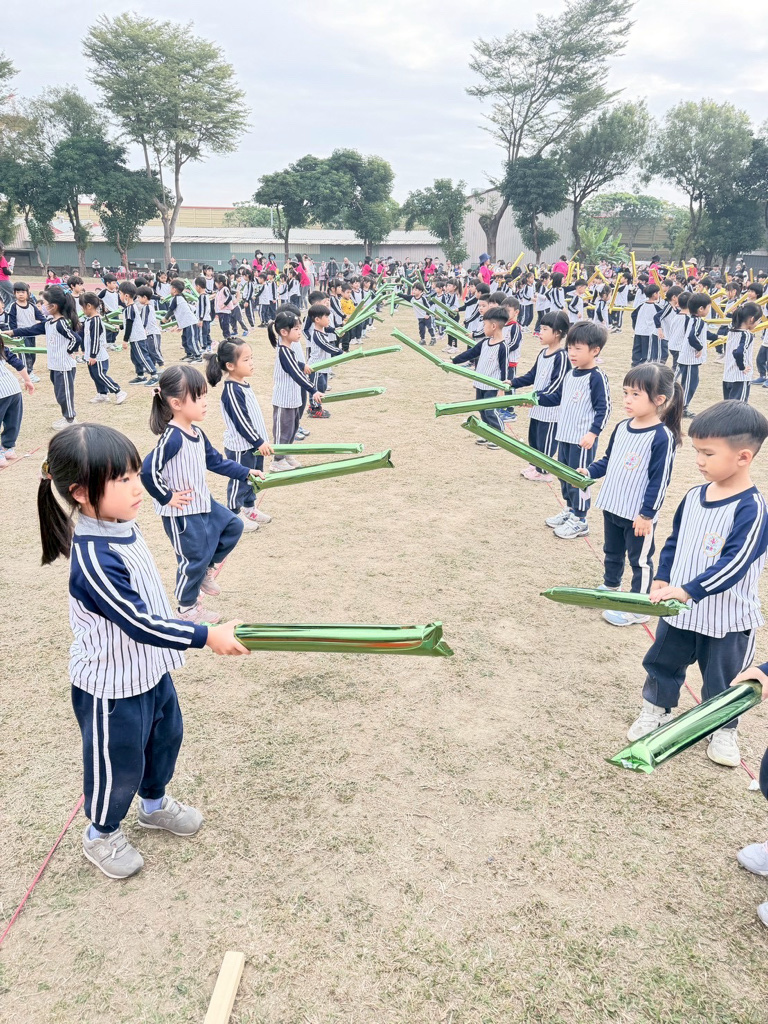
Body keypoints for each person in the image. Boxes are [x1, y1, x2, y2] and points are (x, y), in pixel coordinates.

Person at [38, 423, 249, 878]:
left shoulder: (120, 526)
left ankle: (153, 804)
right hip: (112, 686)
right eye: (123, 479)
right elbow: (137, 622)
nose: (138, 487)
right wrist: (205, 635)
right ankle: (101, 833)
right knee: (118, 762)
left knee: (165, 739)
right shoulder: (94, 557)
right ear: (80, 493)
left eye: (136, 475)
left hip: (150, 671)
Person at [627, 401, 768, 768]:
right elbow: (675, 541)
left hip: (726, 619)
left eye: (708, 453)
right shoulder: (693, 496)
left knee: (724, 680)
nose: (699, 461)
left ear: (743, 457)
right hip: (679, 610)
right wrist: (662, 576)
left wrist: (689, 590)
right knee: (662, 662)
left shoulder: (752, 509)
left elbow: (734, 563)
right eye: (697, 451)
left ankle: (723, 728)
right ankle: (656, 710)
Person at [142, 365, 262, 623]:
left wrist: (246, 472)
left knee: (234, 525)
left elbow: (216, 462)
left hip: (203, 502)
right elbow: (147, 471)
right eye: (198, 397)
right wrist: (167, 497)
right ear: (176, 403)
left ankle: (207, 570)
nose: (205, 402)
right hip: (181, 512)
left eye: (205, 395)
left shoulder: (196, 433)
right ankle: (187, 610)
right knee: (192, 558)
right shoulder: (172, 437)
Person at [581, 363, 682, 626]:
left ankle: (640, 606)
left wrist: (647, 515)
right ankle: (611, 586)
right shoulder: (622, 427)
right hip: (613, 505)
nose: (627, 399)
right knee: (612, 551)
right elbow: (608, 460)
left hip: (638, 515)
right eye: (626, 392)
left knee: (640, 561)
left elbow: (659, 480)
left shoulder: (662, 437)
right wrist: (589, 471)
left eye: (636, 394)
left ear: (658, 399)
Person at [546, 321, 611, 539]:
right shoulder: (570, 374)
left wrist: (593, 433)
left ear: (595, 350)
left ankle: (580, 519)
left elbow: (604, 409)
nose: (572, 353)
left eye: (578, 349)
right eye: (570, 348)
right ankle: (570, 509)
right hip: (564, 436)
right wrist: (535, 400)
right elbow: (557, 397)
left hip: (582, 440)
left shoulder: (596, 377)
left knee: (578, 478)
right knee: (564, 476)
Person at [206, 339, 273, 532]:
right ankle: (234, 514)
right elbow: (241, 422)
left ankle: (249, 508)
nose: (251, 363)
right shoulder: (231, 390)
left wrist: (260, 441)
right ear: (230, 365)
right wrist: (258, 441)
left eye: (251, 358)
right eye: (246, 360)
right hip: (241, 447)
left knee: (254, 478)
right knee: (239, 480)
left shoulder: (243, 384)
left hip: (254, 445)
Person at [6, 284, 80, 430]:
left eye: (44, 304)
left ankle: (71, 419)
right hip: (55, 365)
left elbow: (76, 339)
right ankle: (67, 416)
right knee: (59, 393)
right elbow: (31, 330)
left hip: (64, 366)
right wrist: (12, 332)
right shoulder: (49, 323)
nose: (42, 307)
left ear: (53, 306)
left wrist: (70, 351)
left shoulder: (61, 324)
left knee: (64, 394)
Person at [508, 310, 570, 481]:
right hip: (537, 407)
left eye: (544, 329)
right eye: (540, 328)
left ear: (557, 333)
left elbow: (556, 386)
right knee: (534, 439)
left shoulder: (562, 357)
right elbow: (532, 375)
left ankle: (545, 472)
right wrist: (513, 382)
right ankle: (535, 465)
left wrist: (535, 398)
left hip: (550, 410)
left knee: (546, 441)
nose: (539, 333)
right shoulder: (542, 354)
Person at [268, 308, 322, 472]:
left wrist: (302, 364)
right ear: (284, 332)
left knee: (292, 428)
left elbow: (294, 364)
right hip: (283, 399)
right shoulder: (283, 351)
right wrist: (313, 390)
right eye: (296, 329)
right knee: (283, 430)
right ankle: (277, 460)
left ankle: (287, 453)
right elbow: (295, 374)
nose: (300, 333)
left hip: (292, 397)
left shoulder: (289, 349)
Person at [452, 307, 510, 448]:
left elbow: (505, 369)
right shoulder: (484, 343)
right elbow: (470, 353)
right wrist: (453, 361)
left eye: (484, 325)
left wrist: (502, 389)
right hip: (480, 384)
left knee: (490, 411)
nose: (483, 328)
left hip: (493, 386)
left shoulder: (503, 347)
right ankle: (487, 433)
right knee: (482, 410)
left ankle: (499, 436)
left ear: (493, 326)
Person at [80, 292, 127, 405]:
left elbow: (95, 340)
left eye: (82, 307)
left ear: (89, 306)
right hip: (90, 354)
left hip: (98, 355)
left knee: (100, 375)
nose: (82, 309)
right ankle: (102, 394)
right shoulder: (88, 320)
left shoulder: (96, 321)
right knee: (95, 375)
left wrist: (93, 356)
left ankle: (118, 391)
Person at [676, 293, 715, 418]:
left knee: (691, 383)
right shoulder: (698, 321)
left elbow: (703, 334)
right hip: (689, 360)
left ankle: (681, 406)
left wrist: (716, 337)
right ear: (701, 309)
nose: (709, 310)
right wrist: (699, 347)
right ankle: (682, 408)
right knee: (688, 385)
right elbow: (692, 337)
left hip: (689, 359)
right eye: (708, 307)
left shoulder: (693, 320)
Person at [0, 331, 34, 467]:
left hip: (2, 392)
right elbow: (17, 362)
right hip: (13, 389)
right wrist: (27, 380)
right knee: (13, 420)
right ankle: (8, 448)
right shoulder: (2, 347)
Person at [119, 281, 158, 387]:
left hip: (137, 337)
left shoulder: (130, 308)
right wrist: (120, 327)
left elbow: (130, 324)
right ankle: (140, 376)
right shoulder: (130, 308)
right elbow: (129, 322)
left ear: (126, 296)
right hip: (135, 338)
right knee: (135, 357)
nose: (119, 296)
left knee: (142, 357)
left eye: (120, 294)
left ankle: (154, 375)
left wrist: (125, 340)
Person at [722, 302, 761, 402]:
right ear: (752, 319)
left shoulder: (731, 330)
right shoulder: (746, 335)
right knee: (739, 407)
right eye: (758, 320)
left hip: (727, 376)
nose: (758, 323)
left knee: (728, 406)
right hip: (740, 377)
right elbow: (738, 352)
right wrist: (742, 367)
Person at [7, 281, 45, 381]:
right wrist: (15, 334)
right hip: (21, 336)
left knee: (32, 355)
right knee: (24, 355)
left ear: (28, 293)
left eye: (23, 292)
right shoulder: (13, 306)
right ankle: (27, 374)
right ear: (14, 293)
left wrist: (47, 323)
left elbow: (41, 318)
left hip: (32, 334)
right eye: (18, 292)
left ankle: (30, 371)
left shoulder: (32, 306)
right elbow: (12, 322)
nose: (20, 294)